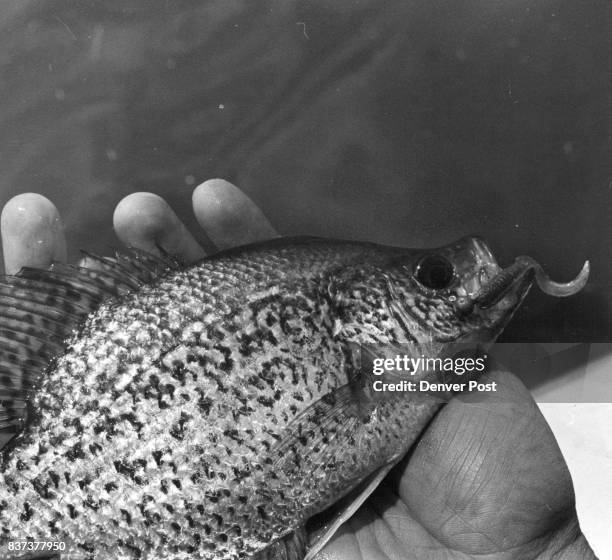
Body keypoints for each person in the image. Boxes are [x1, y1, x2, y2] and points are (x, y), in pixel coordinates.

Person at [0, 180, 598, 559]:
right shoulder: (414, 374)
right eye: (435, 278)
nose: (455, 284)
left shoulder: (423, 374)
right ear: (354, 312)